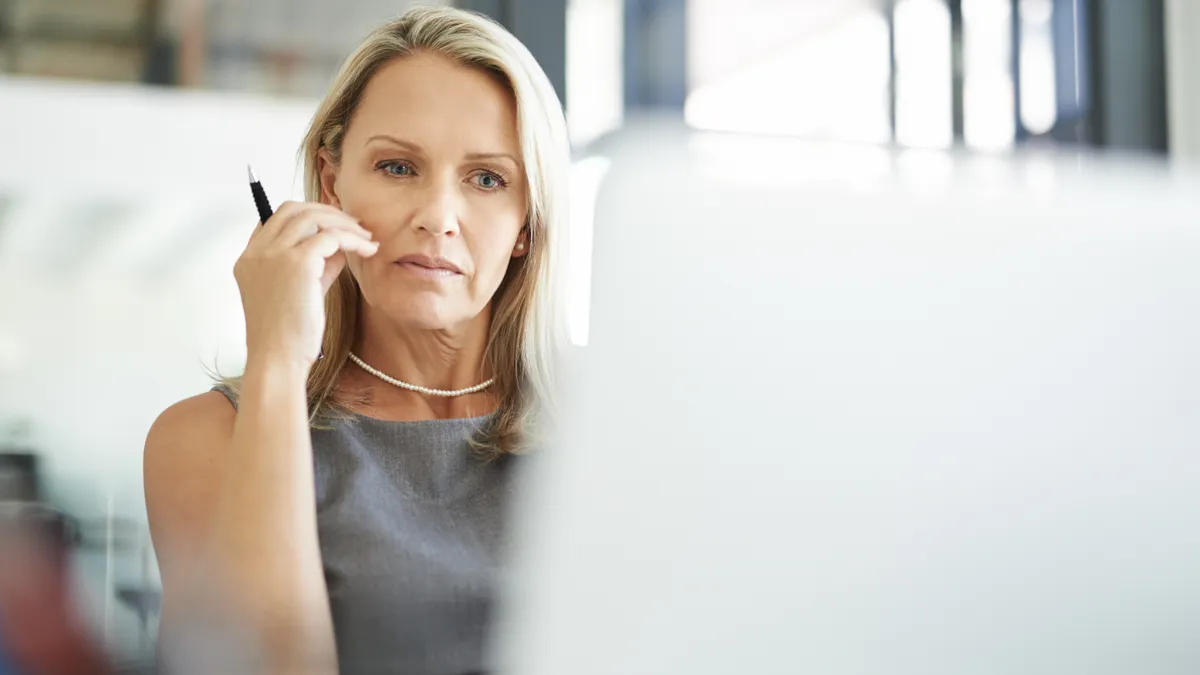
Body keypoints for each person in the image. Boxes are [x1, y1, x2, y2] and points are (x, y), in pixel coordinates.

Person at [142, 7, 570, 674]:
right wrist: (278, 364)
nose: (437, 217)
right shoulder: (206, 438)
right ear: (334, 183)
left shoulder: (612, 428)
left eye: (487, 178)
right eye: (399, 167)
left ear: (527, 221)